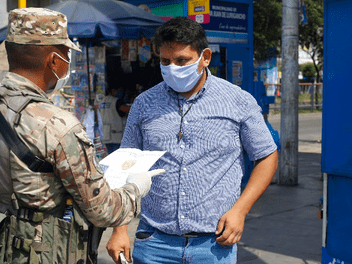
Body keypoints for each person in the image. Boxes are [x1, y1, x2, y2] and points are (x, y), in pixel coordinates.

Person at [0, 8, 164, 264]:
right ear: (53, 61)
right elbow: (103, 210)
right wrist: (135, 188)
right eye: (66, 54)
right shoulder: (57, 124)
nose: (68, 62)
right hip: (38, 252)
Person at [106, 17, 278, 264]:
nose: (172, 68)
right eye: (165, 61)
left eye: (182, 60)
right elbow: (126, 165)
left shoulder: (237, 101)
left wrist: (241, 209)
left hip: (214, 245)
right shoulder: (144, 104)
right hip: (154, 242)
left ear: (205, 57)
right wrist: (119, 229)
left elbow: (267, 155)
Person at [101, 86, 131, 154]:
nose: (121, 93)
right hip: (116, 136)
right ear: (113, 90)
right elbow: (128, 110)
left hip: (106, 135)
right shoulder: (116, 101)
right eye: (119, 90)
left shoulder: (102, 101)